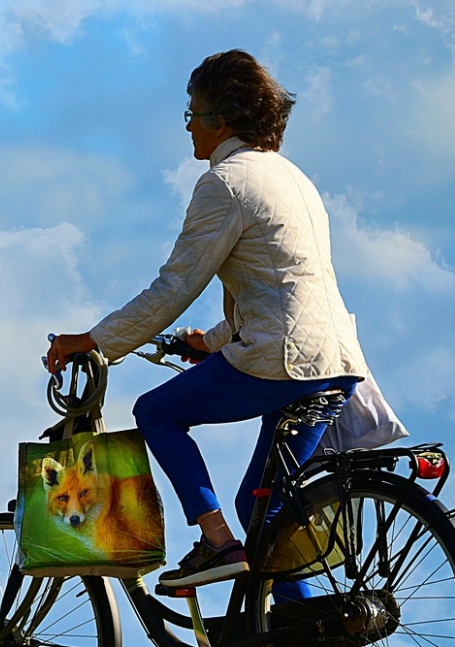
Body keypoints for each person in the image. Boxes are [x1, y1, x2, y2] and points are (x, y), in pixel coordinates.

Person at [45, 49, 369, 594]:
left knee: (157, 412)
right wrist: (212, 342)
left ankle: (217, 543)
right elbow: (279, 285)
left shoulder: (225, 184)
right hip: (334, 361)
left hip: (281, 361)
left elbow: (175, 286)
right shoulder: (291, 178)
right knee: (262, 507)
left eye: (193, 112)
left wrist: (95, 340)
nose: (189, 125)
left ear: (221, 119)